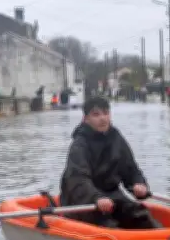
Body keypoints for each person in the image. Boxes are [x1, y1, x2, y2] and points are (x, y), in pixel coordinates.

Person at [59, 96, 163, 229]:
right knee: (108, 225)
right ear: (85, 119)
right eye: (96, 114)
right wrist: (96, 198)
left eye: (106, 113)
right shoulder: (79, 145)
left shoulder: (116, 138)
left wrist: (139, 183)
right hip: (82, 201)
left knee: (141, 216)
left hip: (111, 196)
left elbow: (131, 169)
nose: (103, 118)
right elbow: (78, 180)